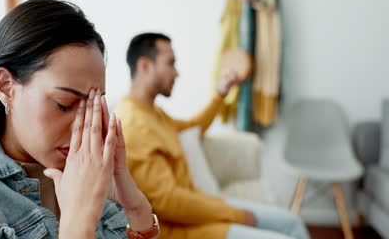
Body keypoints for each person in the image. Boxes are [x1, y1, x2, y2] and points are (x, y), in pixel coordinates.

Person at [0, 0, 160, 239]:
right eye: (64, 105)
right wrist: (78, 221)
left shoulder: (93, 177)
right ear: (6, 87)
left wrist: (136, 209)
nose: (82, 127)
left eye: (93, 106)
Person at [115, 33, 310, 239]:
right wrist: (235, 215)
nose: (177, 73)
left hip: (199, 209)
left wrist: (221, 93)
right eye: (170, 63)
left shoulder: (152, 113)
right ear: (145, 66)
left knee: (292, 222)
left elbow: (192, 127)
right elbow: (167, 201)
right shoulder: (133, 124)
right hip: (183, 231)